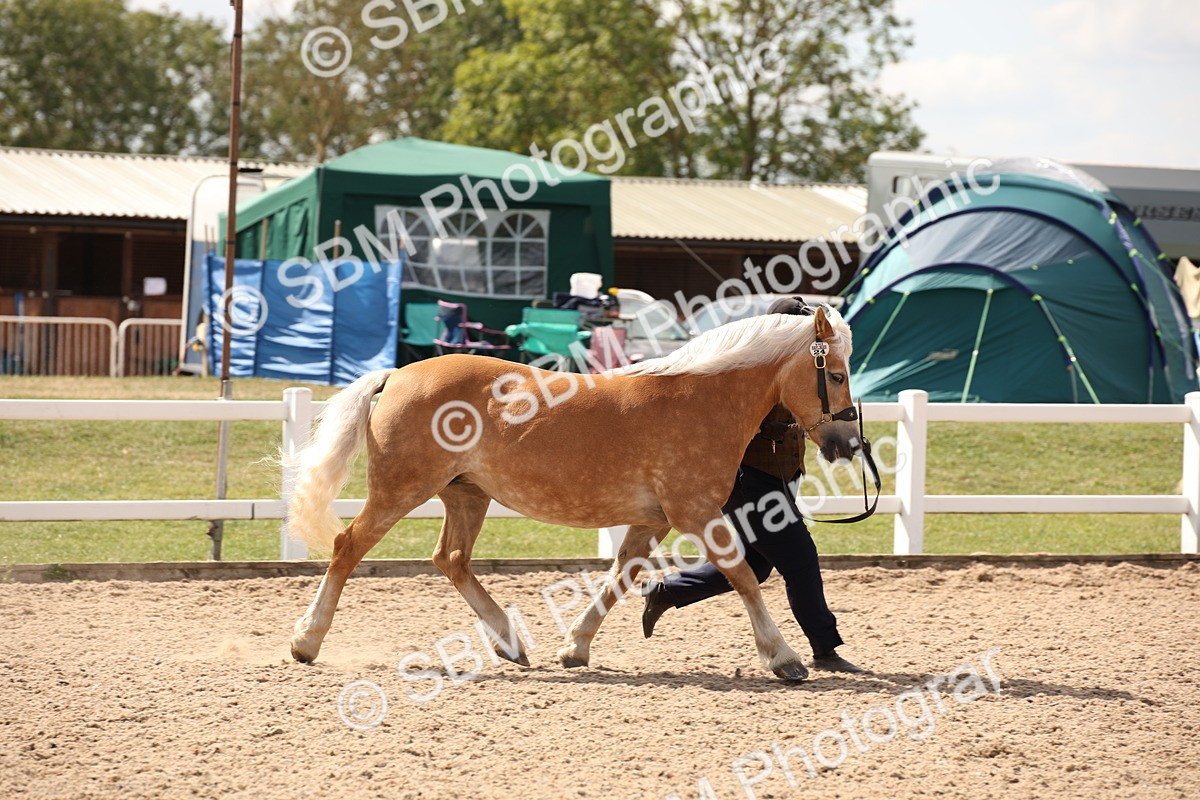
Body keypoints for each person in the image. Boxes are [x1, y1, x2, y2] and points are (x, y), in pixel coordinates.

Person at [640, 296, 864, 674]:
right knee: (800, 560)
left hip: (783, 479)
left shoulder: (802, 370)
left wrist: (843, 436)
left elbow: (816, 414)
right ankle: (825, 648)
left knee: (756, 565)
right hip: (752, 482)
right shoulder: (754, 371)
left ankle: (668, 590)